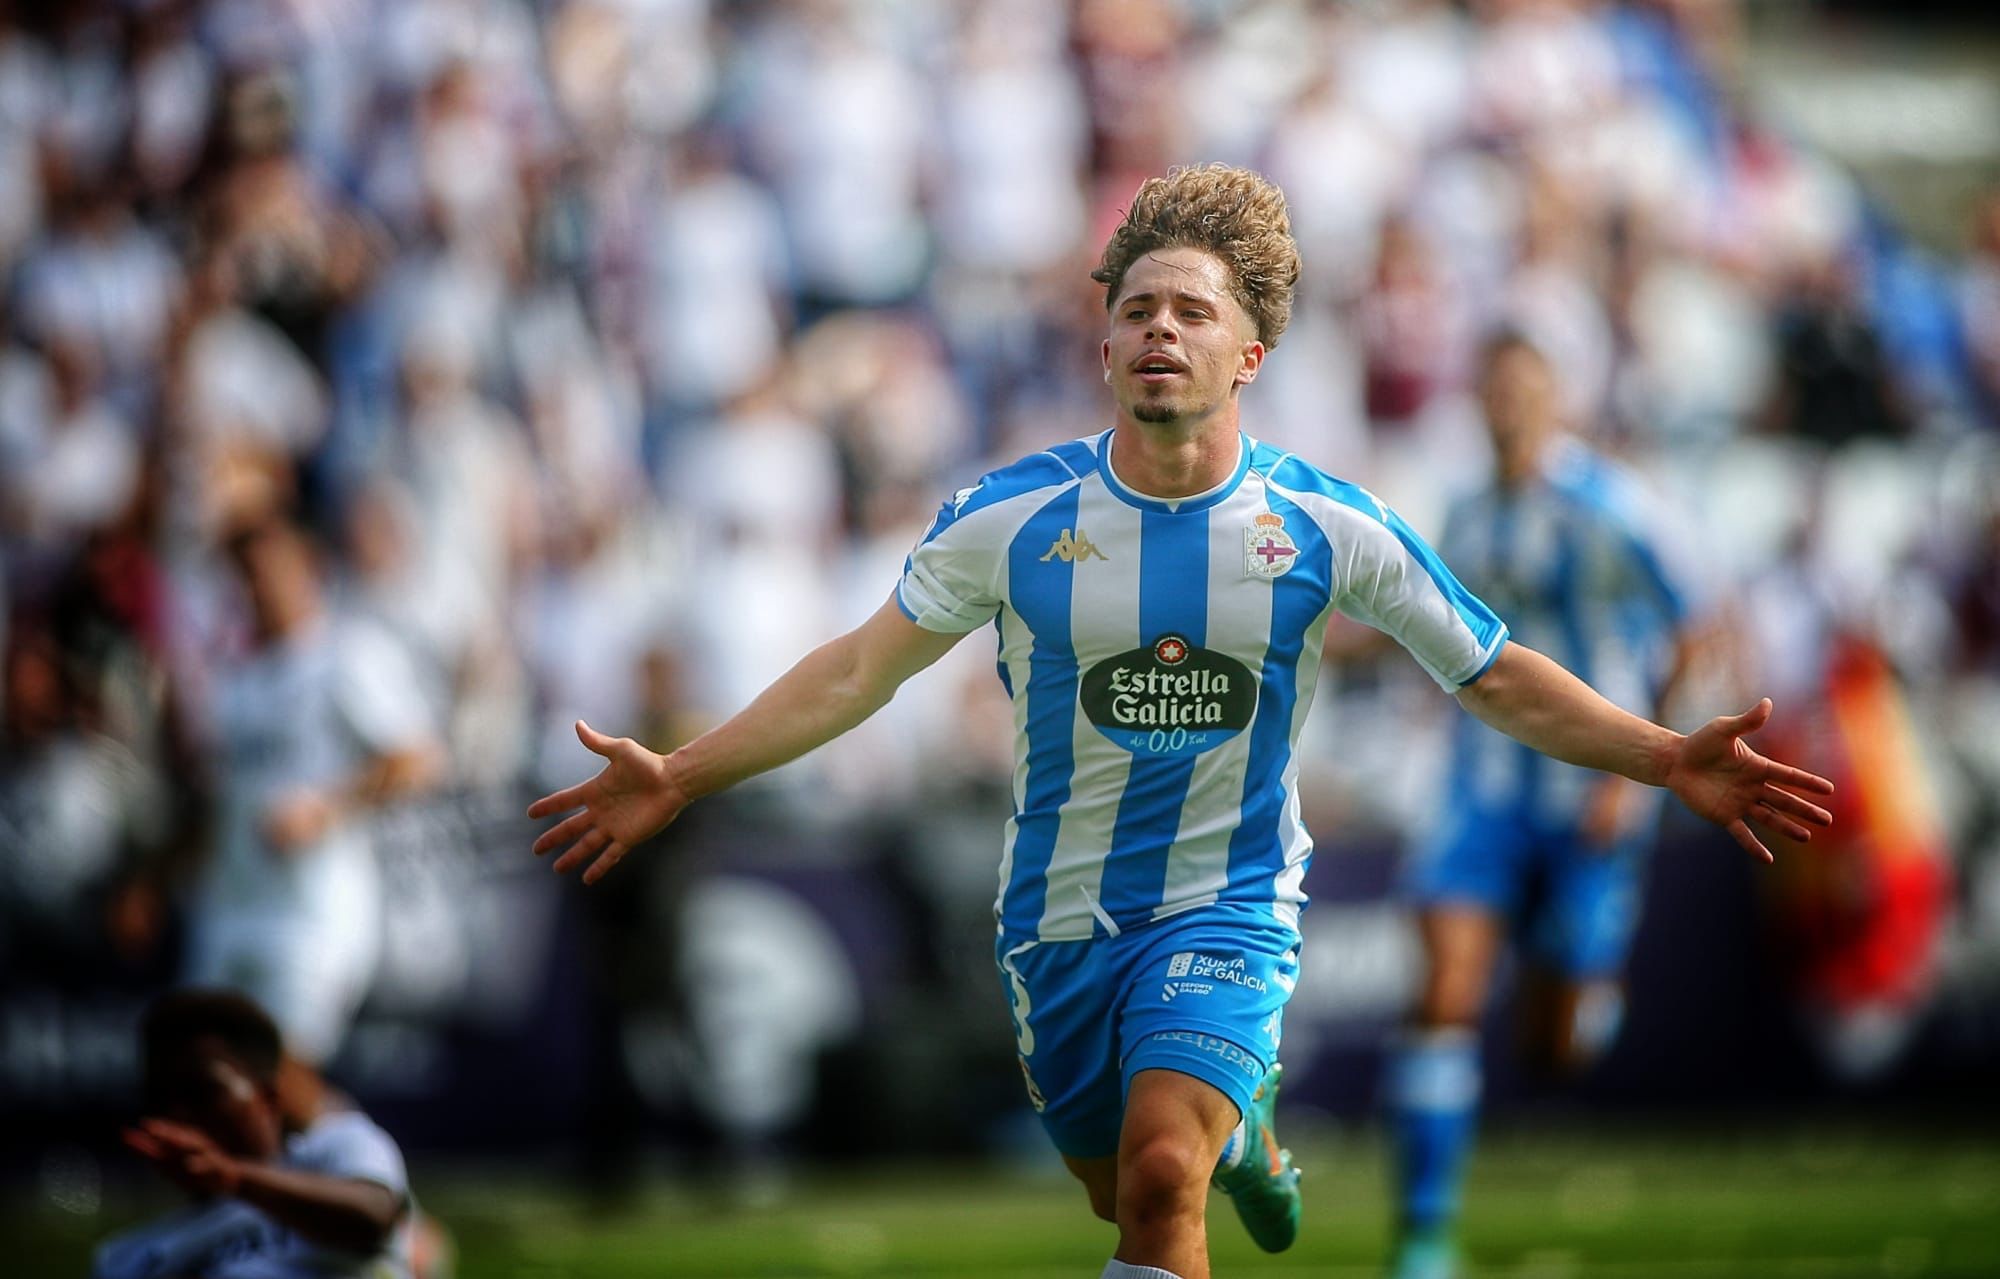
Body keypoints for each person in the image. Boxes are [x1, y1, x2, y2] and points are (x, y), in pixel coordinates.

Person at [528, 164, 1834, 1279]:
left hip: (1232, 903)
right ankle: (1255, 1128)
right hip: (1057, 920)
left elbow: (1490, 671)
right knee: (1121, 1187)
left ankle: (1240, 1129)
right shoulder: (1008, 517)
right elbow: (858, 670)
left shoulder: (1327, 525)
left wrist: (1665, 754)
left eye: (1190, 310)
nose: (1159, 327)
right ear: (1104, 345)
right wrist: (684, 773)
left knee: (1161, 1183)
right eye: (1136, 307)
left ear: (1247, 353)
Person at [1385, 332, 1707, 1279]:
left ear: (1555, 396)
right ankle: (1424, 1232)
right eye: (1494, 388)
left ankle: (1580, 991)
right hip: (1479, 789)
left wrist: (1636, 765)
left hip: (1588, 794)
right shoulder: (1468, 513)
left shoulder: (1609, 504)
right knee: (1442, 991)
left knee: (1553, 1050)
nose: (1508, 405)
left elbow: (1698, 624)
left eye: (1526, 388)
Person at [183, 510, 444, 1066]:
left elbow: (419, 758)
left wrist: (324, 809)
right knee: (205, 1087)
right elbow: (221, 803)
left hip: (313, 914)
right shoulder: (232, 680)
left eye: (270, 570)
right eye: (246, 575)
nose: (258, 587)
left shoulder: (346, 654)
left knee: (282, 1083)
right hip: (229, 908)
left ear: (308, 569)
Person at [94, 989, 417, 1279]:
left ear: (268, 1098)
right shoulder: (129, 1258)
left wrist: (234, 1177)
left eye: (202, 1092)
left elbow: (371, 1217)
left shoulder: (338, 1149)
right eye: (160, 1097)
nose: (179, 1114)